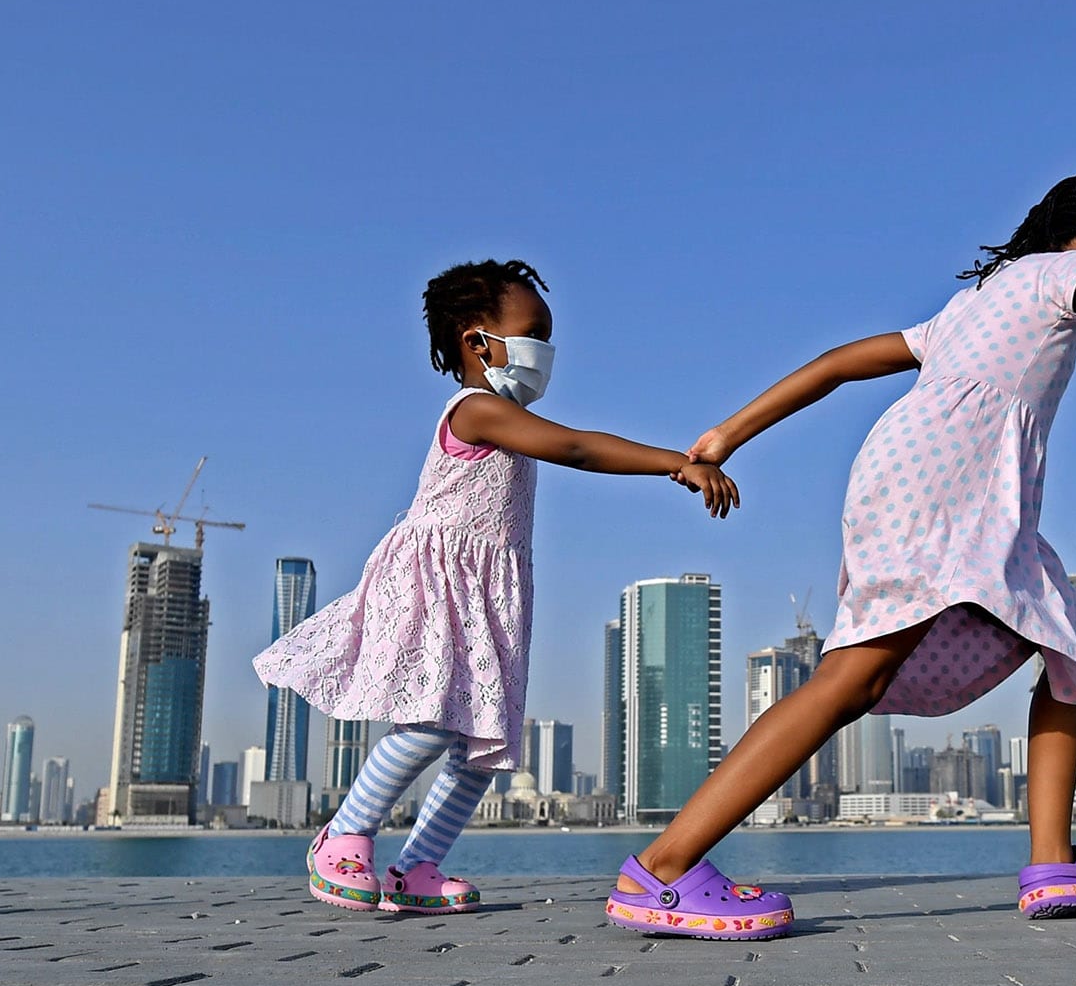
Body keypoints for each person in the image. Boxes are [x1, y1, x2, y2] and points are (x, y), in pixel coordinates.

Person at [604, 172, 1076, 939]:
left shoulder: (971, 307)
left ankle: (1054, 862)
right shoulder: (1062, 273)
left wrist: (731, 432)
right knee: (853, 676)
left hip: (948, 487)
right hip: (942, 485)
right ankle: (662, 867)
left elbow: (834, 363)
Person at [259, 258, 737, 914]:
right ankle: (343, 835)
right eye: (533, 330)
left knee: (482, 745)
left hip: (493, 593)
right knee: (431, 721)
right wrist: (675, 465)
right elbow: (575, 448)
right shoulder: (477, 410)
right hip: (440, 586)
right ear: (478, 342)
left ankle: (418, 867)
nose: (546, 350)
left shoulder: (503, 418)